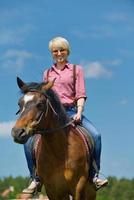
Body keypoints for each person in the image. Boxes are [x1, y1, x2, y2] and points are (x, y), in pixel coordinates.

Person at [22, 36, 108, 194]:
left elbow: (81, 93)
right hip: (52, 114)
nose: (59, 53)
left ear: (67, 51)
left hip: (72, 111)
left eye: (62, 50)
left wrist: (79, 112)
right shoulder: (47, 73)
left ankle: (94, 174)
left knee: (96, 135)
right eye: (55, 51)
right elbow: (44, 97)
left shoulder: (77, 70)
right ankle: (35, 178)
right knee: (28, 142)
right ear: (52, 53)